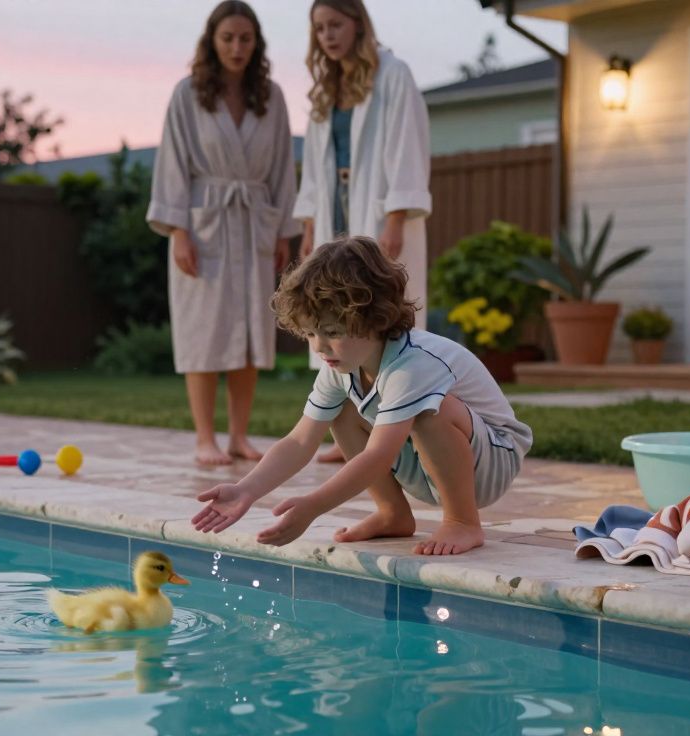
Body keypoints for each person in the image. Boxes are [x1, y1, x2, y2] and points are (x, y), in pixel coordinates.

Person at [191, 237, 532, 556]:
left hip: (491, 463)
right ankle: (392, 514)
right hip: (433, 463)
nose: (319, 346)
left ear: (375, 319)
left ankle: (462, 521)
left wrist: (314, 506)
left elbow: (379, 456)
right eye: (310, 333)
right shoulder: (342, 367)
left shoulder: (415, 363)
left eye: (332, 332)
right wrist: (246, 490)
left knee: (434, 410)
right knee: (341, 410)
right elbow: (299, 441)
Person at [148, 1, 301, 466]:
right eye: (228, 38)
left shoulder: (270, 96)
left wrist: (282, 231)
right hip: (204, 223)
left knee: (251, 331)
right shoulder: (188, 94)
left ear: (257, 44)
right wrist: (178, 231)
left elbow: (282, 167)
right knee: (203, 332)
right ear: (212, 42)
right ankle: (204, 438)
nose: (237, 47)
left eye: (245, 39)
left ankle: (237, 436)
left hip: (254, 222)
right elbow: (172, 164)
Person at [294, 0, 432, 463]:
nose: (328, 36)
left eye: (335, 25)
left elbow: (408, 146)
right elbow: (313, 165)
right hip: (334, 208)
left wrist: (396, 216)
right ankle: (350, 433)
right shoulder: (326, 89)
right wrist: (310, 225)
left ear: (357, 24)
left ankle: (395, 430)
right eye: (320, 29)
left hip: (377, 205)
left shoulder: (393, 75)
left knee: (379, 312)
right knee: (334, 312)